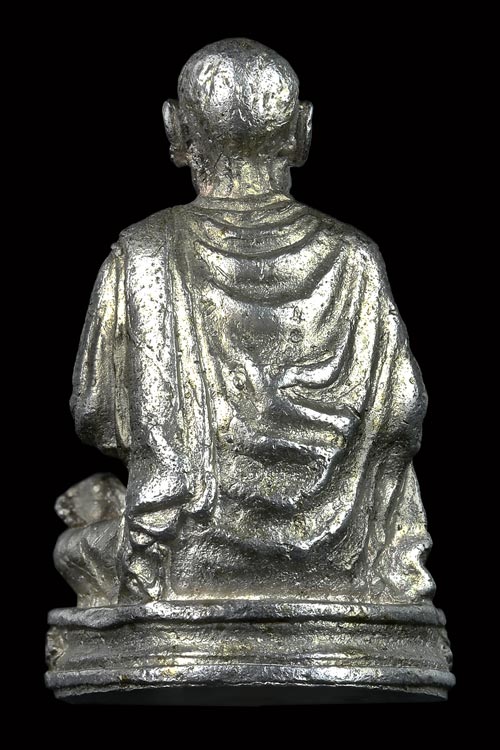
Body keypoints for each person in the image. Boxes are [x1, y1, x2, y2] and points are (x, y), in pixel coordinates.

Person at [58, 38, 434, 605]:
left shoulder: (143, 255)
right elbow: (402, 412)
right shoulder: (354, 256)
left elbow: (96, 415)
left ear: (176, 130)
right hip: (343, 553)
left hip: (184, 549)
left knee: (75, 551)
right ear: (302, 130)